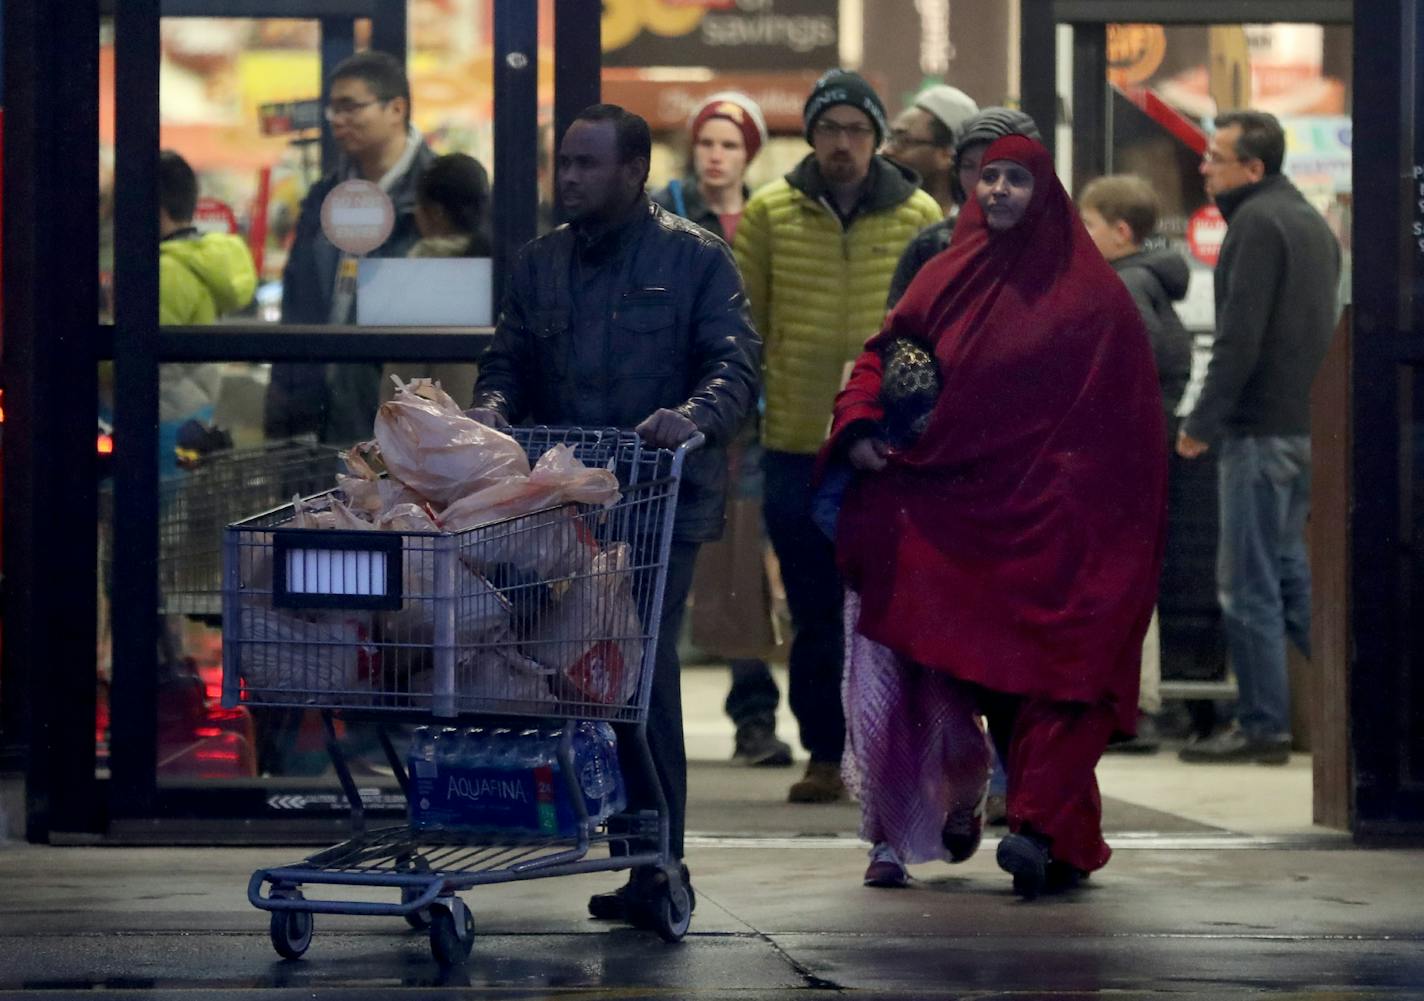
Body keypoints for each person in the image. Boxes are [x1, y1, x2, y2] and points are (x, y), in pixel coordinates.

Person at [823, 135, 1166, 895]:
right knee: (1009, 683)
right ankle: (1057, 838)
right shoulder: (946, 275)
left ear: (1046, 190)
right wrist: (860, 427)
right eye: (990, 178)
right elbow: (887, 351)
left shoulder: (1095, 299)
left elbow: (1127, 428)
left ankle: (1041, 826)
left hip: (1068, 530)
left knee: (1065, 681)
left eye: (1017, 178)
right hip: (974, 522)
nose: (1000, 190)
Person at [469, 104, 760, 922]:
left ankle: (660, 859)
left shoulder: (696, 259)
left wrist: (694, 416)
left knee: (637, 673)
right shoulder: (539, 264)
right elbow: (507, 362)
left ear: (634, 171)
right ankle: (627, 854)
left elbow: (734, 363)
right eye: (564, 162)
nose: (568, 177)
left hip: (657, 506)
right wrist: (491, 407)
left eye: (587, 164)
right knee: (557, 671)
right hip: (558, 505)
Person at [735, 69, 942, 804]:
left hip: (885, 447)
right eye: (830, 129)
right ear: (811, 135)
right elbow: (745, 327)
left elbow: (931, 330)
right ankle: (825, 751)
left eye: (857, 130)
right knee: (814, 606)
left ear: (878, 139)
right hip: (795, 440)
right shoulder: (770, 213)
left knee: (890, 604)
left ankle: (892, 749)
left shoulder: (918, 213)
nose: (843, 144)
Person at [1176, 111, 1340, 765]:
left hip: (1258, 431)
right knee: (1291, 577)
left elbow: (1239, 337)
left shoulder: (1254, 223)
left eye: (1215, 156)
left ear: (1253, 167)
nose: (1203, 166)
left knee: (1246, 584)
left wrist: (1200, 423)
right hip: (1304, 427)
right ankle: (1355, 707)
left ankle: (1264, 723)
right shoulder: (1309, 222)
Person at [651, 93, 792, 767]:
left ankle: (754, 716)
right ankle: (648, 713)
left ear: (748, 154)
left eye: (729, 144)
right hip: (677, 410)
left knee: (742, 568)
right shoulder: (666, 214)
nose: (715, 154)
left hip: (753, 418)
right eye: (706, 141)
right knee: (667, 561)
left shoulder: (767, 218)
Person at [265, 50, 436, 444]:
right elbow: (299, 299)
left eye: (351, 107)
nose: (338, 121)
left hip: (405, 411)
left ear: (396, 109)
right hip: (323, 408)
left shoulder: (438, 191)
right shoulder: (326, 195)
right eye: (333, 110)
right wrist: (286, 400)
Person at [1080, 173, 1195, 754]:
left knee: (1118, 585)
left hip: (1121, 461)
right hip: (1139, 458)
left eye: (1091, 223)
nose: (1080, 233)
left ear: (1121, 232)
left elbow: (1130, 372)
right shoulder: (1148, 281)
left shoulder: (1124, 287)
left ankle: (1127, 707)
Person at [157, 149, 257, 468]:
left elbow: (128, 359)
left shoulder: (167, 270)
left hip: (160, 412)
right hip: (193, 409)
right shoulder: (198, 259)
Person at [886, 107, 1040, 310]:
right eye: (969, 166)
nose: (984, 181)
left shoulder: (1055, 249)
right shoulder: (931, 247)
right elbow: (897, 333)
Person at [882, 84, 979, 216]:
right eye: (890, 138)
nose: (886, 151)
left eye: (903, 141)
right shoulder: (877, 218)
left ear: (947, 155)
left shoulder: (969, 228)